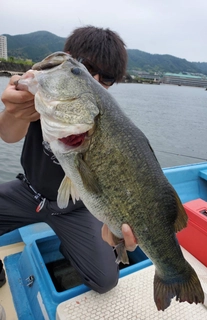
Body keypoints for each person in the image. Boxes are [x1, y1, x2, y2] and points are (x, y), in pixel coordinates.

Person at [0, 26, 137, 295]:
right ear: (70, 59)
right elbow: (8, 134)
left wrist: (117, 225)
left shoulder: (107, 123)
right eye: (86, 67)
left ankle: (71, 244)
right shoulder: (50, 98)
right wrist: (14, 109)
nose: (96, 80)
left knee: (105, 280)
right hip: (29, 193)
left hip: (79, 207)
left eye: (106, 77)